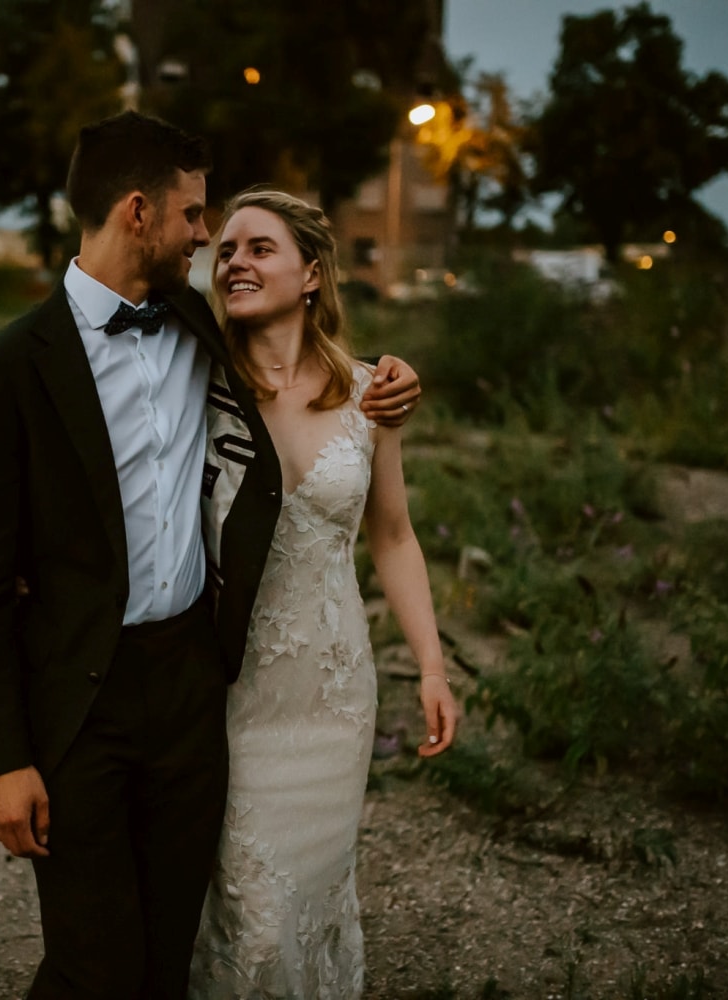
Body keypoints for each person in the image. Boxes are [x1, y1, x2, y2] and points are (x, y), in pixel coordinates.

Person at [0, 112, 423, 1000]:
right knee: (94, 963)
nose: (207, 238)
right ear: (139, 212)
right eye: (196, 216)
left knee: (172, 954)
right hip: (77, 706)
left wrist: (390, 378)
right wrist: (3, 759)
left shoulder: (203, 331)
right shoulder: (3, 368)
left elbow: (305, 372)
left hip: (193, 693)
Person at [189, 188, 458, 999]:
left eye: (258, 248)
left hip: (333, 697)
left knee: (308, 898)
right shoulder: (194, 385)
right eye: (226, 249)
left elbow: (393, 534)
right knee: (245, 908)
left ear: (311, 273)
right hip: (227, 693)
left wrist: (434, 668)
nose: (235, 261)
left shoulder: (372, 393)